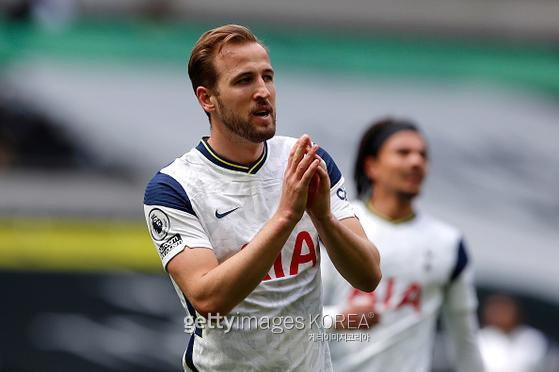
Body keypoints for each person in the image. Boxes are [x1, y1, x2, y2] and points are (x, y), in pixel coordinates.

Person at [143, 24, 381, 372]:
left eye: (267, 77)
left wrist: (324, 218)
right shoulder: (174, 188)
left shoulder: (306, 161)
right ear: (207, 98)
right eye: (244, 81)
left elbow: (369, 274)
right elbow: (208, 299)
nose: (262, 92)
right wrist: (286, 216)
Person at [321, 118, 485, 372]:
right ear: (371, 165)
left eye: (422, 155)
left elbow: (465, 342)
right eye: (403, 153)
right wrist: (337, 319)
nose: (416, 161)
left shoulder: (448, 244)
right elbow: (290, 323)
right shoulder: (333, 227)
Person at [478, 294, 555, 372]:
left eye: (505, 309)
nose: (500, 314)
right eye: (495, 310)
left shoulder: (531, 337)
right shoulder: (480, 338)